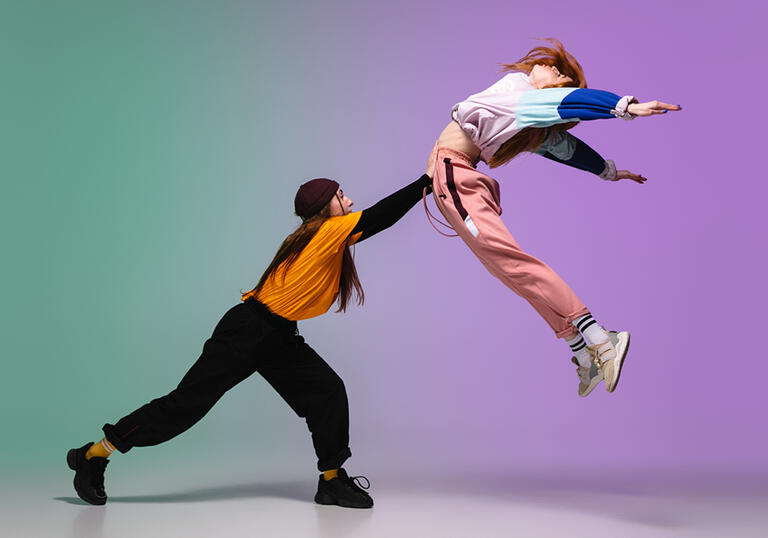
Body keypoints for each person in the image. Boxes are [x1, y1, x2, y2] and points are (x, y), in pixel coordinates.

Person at [66, 172, 433, 508]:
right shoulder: (327, 231)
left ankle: (332, 481)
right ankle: (94, 454)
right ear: (326, 208)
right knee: (184, 406)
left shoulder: (323, 235)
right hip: (247, 331)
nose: (350, 201)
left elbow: (372, 219)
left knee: (328, 391)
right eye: (342, 195)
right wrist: (427, 182)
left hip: (277, 334)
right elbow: (381, 216)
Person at [425, 39, 681, 397]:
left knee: (514, 266)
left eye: (561, 75)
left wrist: (625, 107)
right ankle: (583, 353)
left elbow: (568, 103)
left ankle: (600, 339)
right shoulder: (523, 118)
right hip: (452, 180)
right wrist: (609, 171)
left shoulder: (522, 95)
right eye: (556, 67)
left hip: (456, 178)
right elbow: (564, 148)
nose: (551, 69)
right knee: (511, 273)